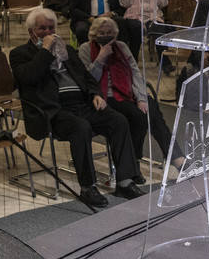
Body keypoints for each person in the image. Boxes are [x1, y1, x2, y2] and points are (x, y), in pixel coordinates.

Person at [9, 7, 144, 209]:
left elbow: (86, 78)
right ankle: (87, 187)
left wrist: (96, 94)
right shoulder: (20, 54)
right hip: (52, 110)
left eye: (51, 28)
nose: (47, 32)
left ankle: (125, 181)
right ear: (31, 32)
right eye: (42, 28)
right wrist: (45, 51)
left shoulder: (68, 51)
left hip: (82, 104)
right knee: (81, 127)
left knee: (118, 120)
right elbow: (30, 76)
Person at [78, 16, 182, 181]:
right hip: (105, 96)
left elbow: (135, 73)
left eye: (109, 33)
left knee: (152, 111)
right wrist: (100, 59)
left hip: (129, 93)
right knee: (139, 117)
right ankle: (134, 162)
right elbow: (87, 79)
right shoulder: (85, 49)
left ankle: (176, 157)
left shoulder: (122, 47)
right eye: (102, 32)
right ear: (94, 34)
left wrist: (141, 98)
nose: (106, 35)